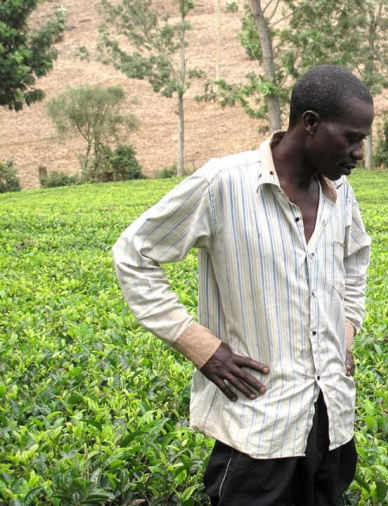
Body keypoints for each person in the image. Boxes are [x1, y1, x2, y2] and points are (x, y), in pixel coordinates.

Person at [112, 65, 374, 505]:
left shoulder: (340, 192)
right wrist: (202, 347)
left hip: (331, 423)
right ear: (310, 123)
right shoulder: (224, 184)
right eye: (351, 138)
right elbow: (134, 253)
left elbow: (355, 257)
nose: (359, 153)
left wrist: (345, 330)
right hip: (258, 430)